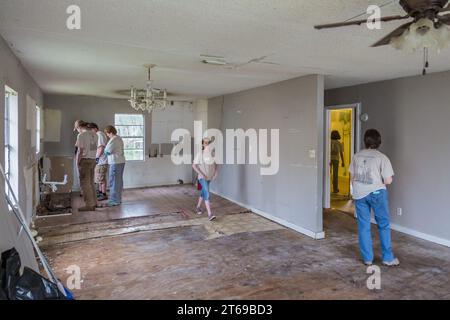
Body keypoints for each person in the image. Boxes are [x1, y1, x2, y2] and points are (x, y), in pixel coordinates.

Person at [349, 129, 399, 267]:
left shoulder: (357, 156)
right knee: (383, 225)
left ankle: (367, 259)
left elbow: (352, 177)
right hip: (377, 193)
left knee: (363, 226)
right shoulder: (382, 158)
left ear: (365, 141)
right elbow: (388, 181)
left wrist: (358, 187)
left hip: (360, 194)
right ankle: (388, 258)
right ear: (379, 141)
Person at [192, 138, 218, 221]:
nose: (207, 144)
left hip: (209, 177)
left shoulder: (212, 154)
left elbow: (217, 164)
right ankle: (210, 214)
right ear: (203, 144)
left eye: (208, 143)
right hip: (202, 178)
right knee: (207, 192)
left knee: (203, 192)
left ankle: (198, 207)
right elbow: (194, 165)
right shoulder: (200, 154)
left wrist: (215, 173)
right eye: (205, 143)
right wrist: (201, 174)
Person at [74, 120, 98, 211]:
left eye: (76, 129)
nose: (77, 131)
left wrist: (77, 162)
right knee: (91, 182)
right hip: (93, 160)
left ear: (79, 127)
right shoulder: (94, 135)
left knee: (85, 184)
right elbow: (93, 149)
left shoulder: (81, 135)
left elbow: (80, 151)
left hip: (85, 161)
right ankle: (94, 202)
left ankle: (89, 205)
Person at [104, 125, 125, 207]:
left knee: (114, 181)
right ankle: (118, 199)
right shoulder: (119, 138)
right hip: (120, 162)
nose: (107, 135)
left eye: (107, 133)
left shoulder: (114, 139)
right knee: (118, 181)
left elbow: (107, 152)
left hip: (115, 162)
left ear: (111, 132)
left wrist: (105, 151)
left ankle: (114, 200)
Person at [88, 123, 109, 201]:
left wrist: (96, 158)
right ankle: (100, 192)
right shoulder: (98, 135)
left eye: (91, 130)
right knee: (99, 178)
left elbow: (101, 148)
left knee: (101, 178)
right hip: (100, 161)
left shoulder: (99, 135)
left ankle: (103, 194)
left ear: (95, 128)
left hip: (101, 161)